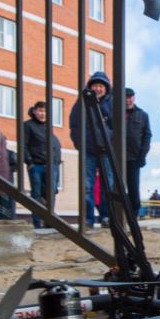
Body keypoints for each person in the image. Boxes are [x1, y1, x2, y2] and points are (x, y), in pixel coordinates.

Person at [68, 71, 114, 228]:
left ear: (106, 88)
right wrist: (79, 144)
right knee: (87, 185)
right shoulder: (81, 102)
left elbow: (118, 126)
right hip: (88, 150)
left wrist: (112, 144)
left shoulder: (112, 103)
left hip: (106, 151)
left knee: (108, 184)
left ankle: (106, 216)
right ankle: (88, 218)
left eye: (101, 86)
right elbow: (74, 124)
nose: (98, 89)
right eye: (95, 85)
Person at [22, 101, 63, 228]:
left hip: (52, 165)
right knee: (37, 194)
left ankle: (49, 221)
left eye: (45, 111)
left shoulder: (48, 126)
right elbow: (23, 145)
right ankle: (37, 223)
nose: (42, 114)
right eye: (40, 110)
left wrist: (56, 161)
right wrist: (29, 162)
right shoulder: (27, 125)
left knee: (50, 193)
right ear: (34, 111)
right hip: (37, 165)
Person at [123, 88, 152, 218]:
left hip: (134, 158)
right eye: (125, 97)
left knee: (133, 187)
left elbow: (147, 136)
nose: (128, 100)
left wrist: (142, 155)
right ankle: (119, 214)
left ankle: (133, 215)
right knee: (116, 187)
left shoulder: (142, 115)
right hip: (118, 158)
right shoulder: (115, 113)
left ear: (134, 98)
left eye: (130, 97)